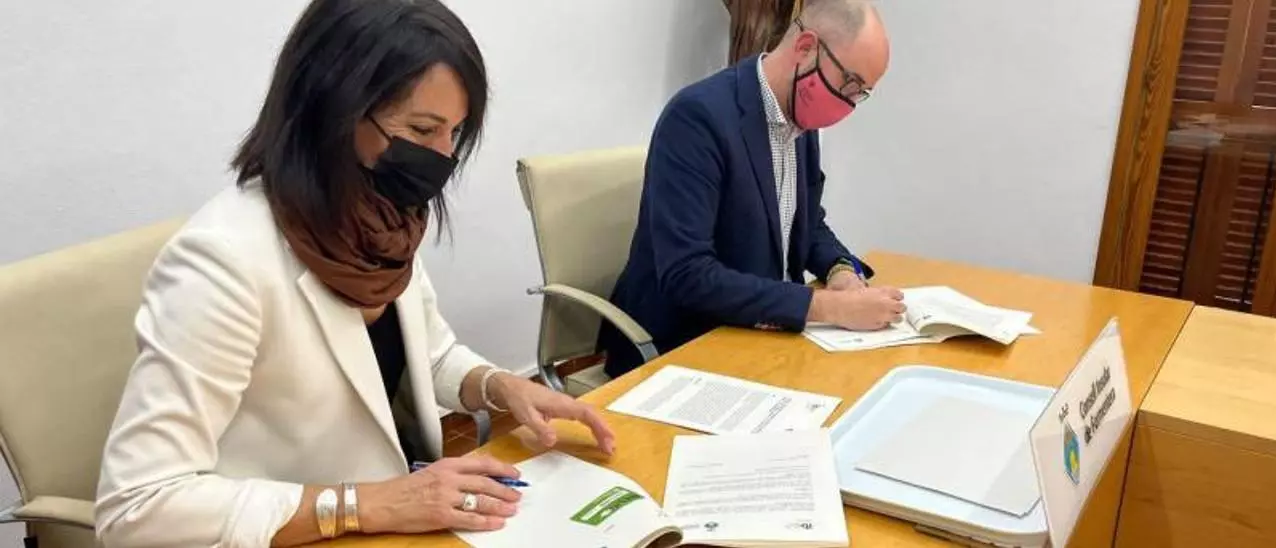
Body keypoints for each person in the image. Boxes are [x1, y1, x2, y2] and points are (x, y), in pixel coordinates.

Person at [94, 1, 615, 546]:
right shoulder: (223, 261)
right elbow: (137, 507)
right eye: (423, 129)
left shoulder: (380, 221)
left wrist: (500, 386)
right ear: (334, 114)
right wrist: (367, 504)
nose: (443, 158)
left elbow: (429, 355)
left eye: (455, 133)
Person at [601, 0, 905, 377]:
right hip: (685, 345)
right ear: (805, 47)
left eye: (862, 94)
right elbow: (688, 275)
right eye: (850, 85)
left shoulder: (802, 120)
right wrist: (826, 307)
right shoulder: (698, 118)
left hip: (762, 335)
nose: (849, 105)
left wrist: (841, 270)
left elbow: (807, 223)